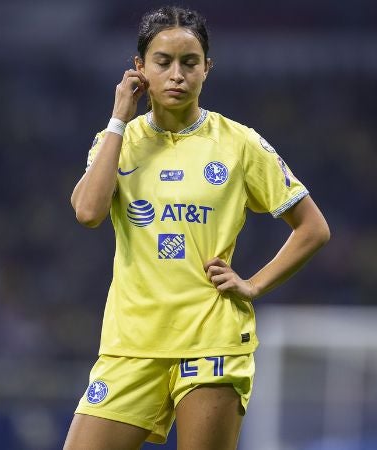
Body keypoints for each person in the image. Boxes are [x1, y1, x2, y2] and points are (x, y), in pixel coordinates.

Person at [65, 6, 330, 450]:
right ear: (139, 69)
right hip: (131, 342)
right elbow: (88, 212)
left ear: (207, 68)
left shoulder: (239, 142)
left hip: (212, 339)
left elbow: (313, 228)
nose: (176, 75)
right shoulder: (119, 141)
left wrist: (254, 285)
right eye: (162, 62)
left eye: (189, 63)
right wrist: (118, 117)